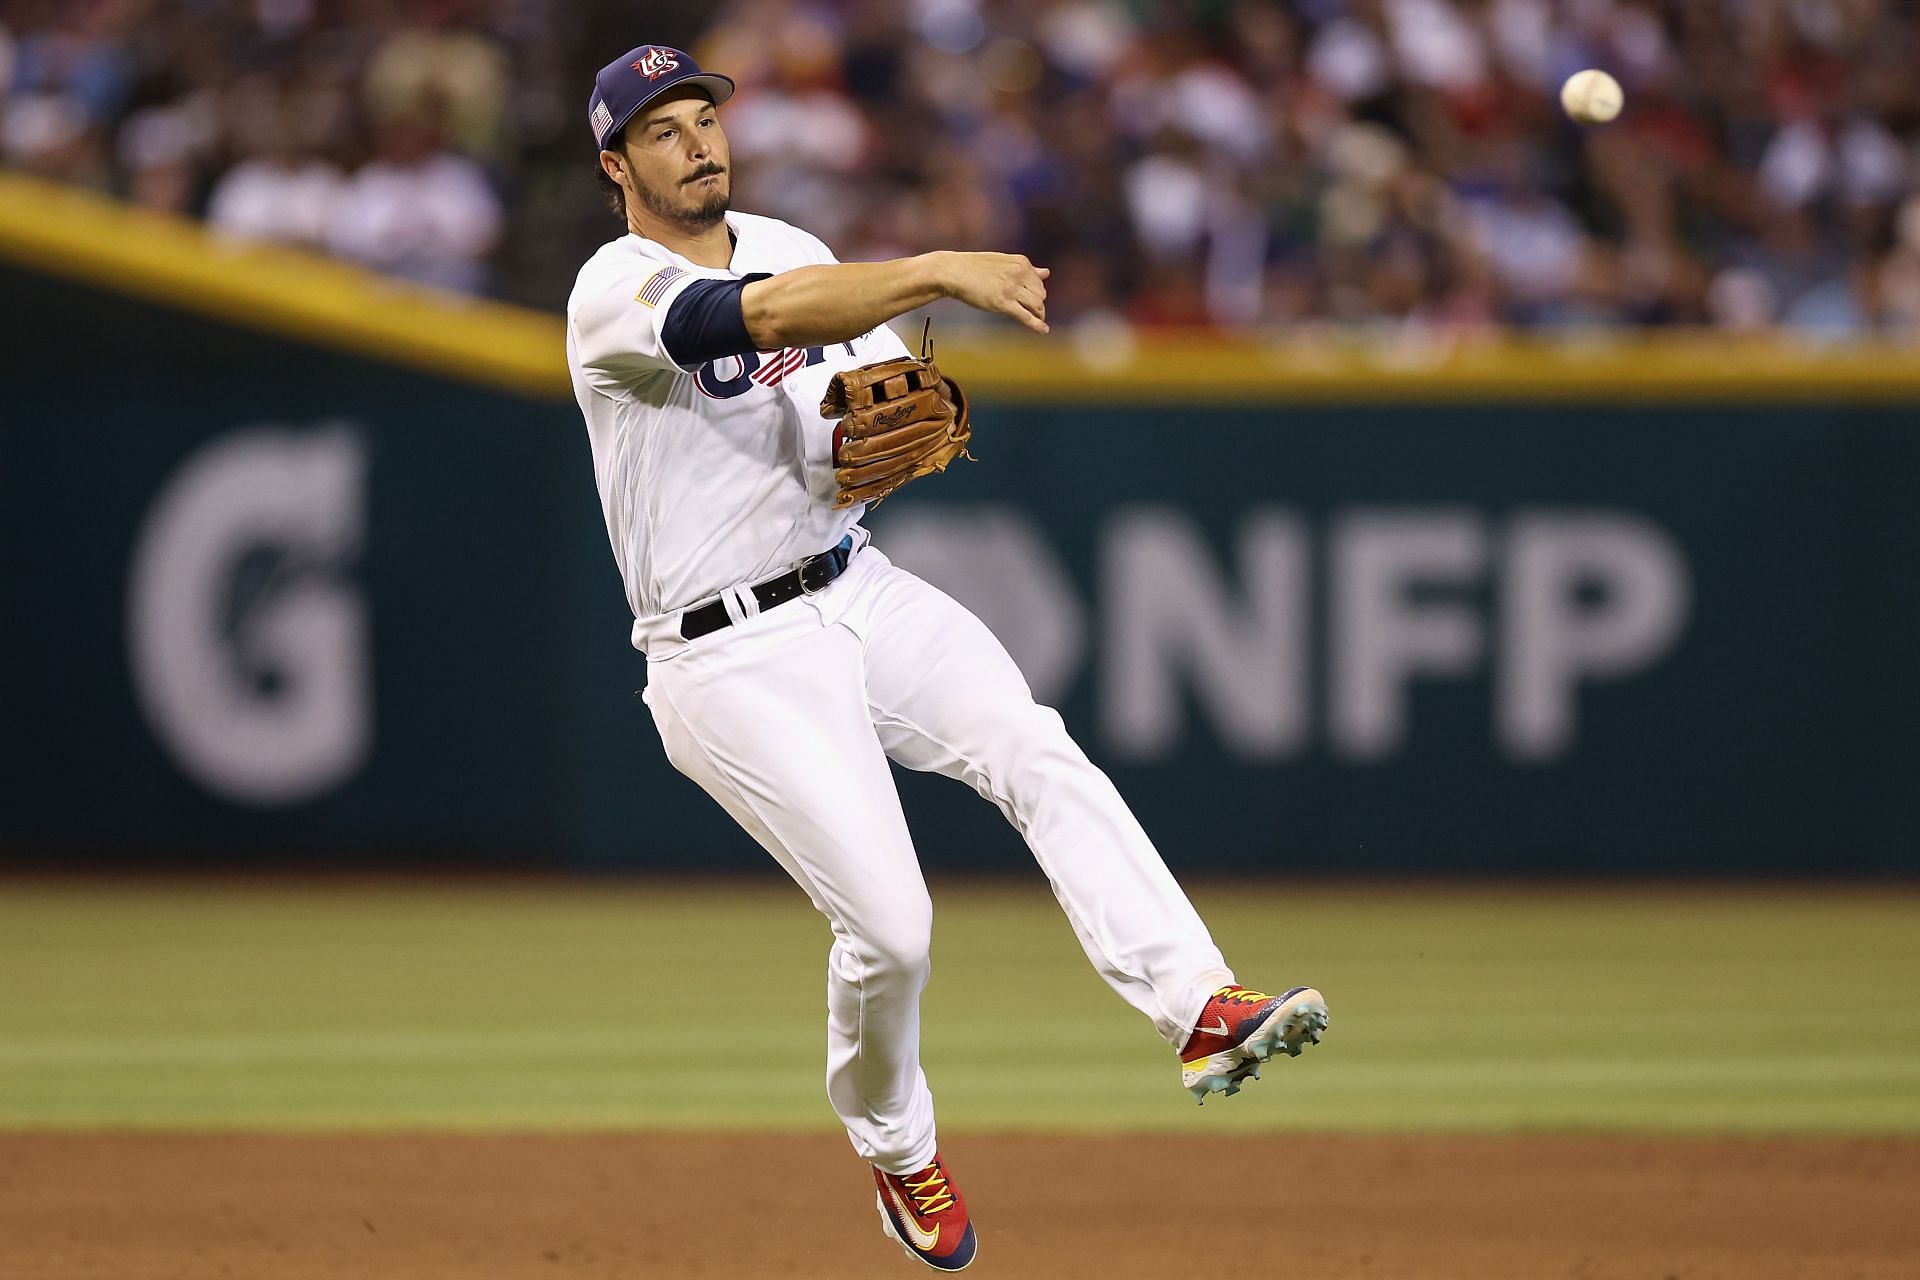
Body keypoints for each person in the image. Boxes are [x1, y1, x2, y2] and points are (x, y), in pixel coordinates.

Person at [563, 44, 1329, 1273]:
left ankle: (1199, 1005)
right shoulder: (612, 286)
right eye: (663, 130)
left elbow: (838, 408)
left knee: (1032, 743)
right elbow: (734, 320)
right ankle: (896, 1141)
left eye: (705, 116)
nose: (697, 140)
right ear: (617, 163)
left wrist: (879, 412)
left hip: (853, 581)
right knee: (895, 930)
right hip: (724, 654)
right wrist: (928, 269)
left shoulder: (797, 245)